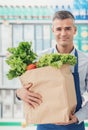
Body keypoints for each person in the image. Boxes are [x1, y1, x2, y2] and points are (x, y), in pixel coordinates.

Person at [16, 10, 88, 130]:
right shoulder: (39, 58)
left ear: (75, 30)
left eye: (68, 28)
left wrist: (77, 117)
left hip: (74, 124)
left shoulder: (85, 61)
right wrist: (19, 93)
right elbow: (25, 88)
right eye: (59, 29)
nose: (63, 33)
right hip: (45, 124)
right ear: (52, 31)